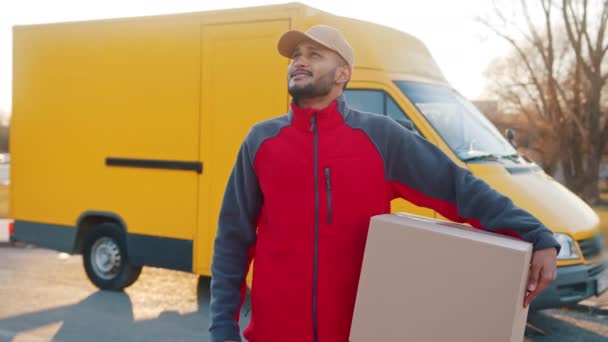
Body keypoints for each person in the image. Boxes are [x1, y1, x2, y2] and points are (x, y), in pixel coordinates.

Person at [209, 25, 560, 342]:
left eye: (314, 55)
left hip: (359, 331)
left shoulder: (381, 138)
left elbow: (459, 188)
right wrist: (223, 328)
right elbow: (233, 238)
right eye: (296, 56)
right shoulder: (261, 141)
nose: (300, 62)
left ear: (343, 73)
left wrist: (536, 235)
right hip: (274, 335)